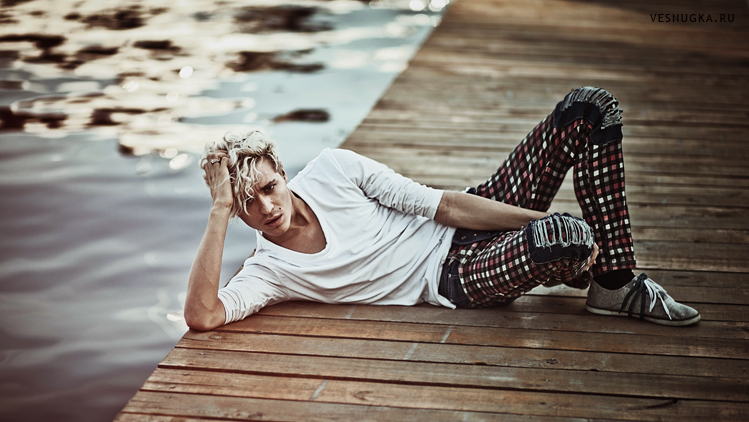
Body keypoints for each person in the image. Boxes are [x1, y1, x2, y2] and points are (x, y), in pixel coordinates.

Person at [184, 87, 700, 330]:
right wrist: (218, 210)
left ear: (281, 170)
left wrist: (538, 217)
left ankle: (614, 282)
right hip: (456, 278)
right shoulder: (270, 272)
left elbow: (446, 206)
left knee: (588, 108)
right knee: (563, 238)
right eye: (245, 203)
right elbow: (203, 315)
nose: (266, 206)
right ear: (234, 212)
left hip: (461, 226)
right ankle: (595, 270)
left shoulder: (334, 169)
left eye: (268, 187)